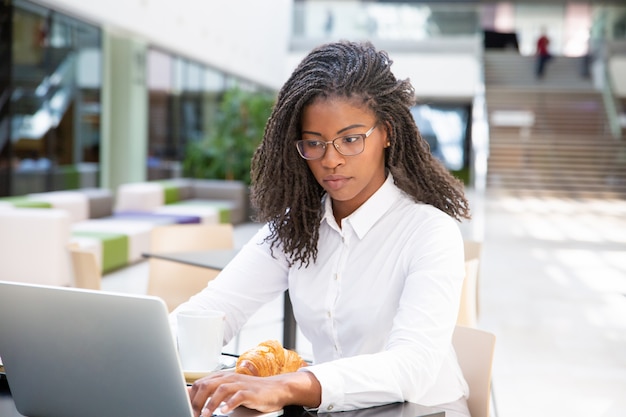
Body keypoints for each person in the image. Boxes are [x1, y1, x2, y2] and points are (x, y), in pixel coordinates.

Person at [171, 40, 472, 417]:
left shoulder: (430, 232)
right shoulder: (296, 228)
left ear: (387, 133)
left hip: (423, 410)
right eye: (314, 144)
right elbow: (219, 308)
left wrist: (286, 386)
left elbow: (412, 366)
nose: (331, 160)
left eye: (350, 139)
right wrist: (151, 348)